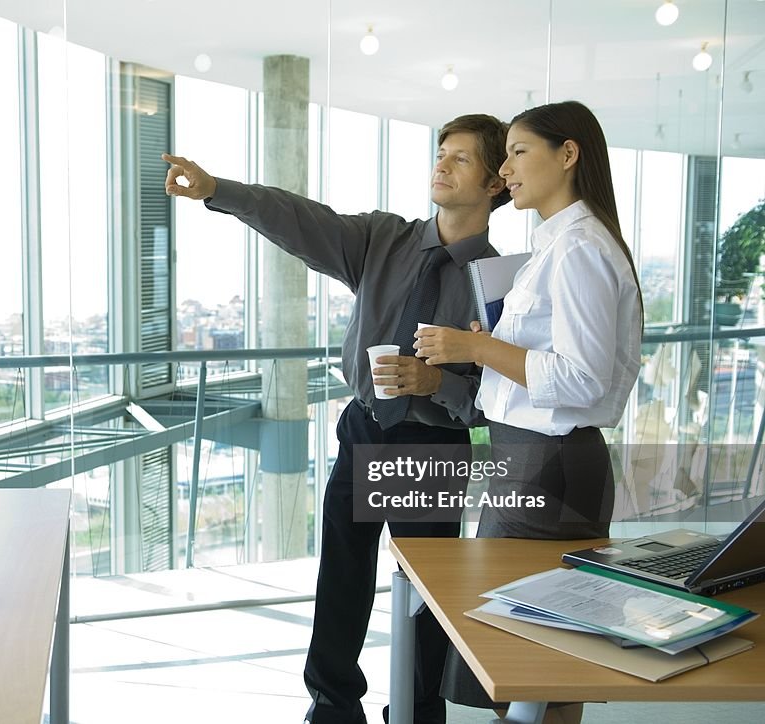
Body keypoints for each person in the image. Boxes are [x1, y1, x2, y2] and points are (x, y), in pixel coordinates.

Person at [163, 113, 510, 724]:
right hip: (365, 427)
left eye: (460, 158)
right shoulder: (384, 240)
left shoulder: (504, 282)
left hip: (434, 444)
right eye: (441, 152)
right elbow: (300, 219)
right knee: (342, 573)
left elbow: (505, 391)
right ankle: (331, 704)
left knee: (425, 593)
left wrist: (440, 383)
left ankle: (418, 708)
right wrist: (219, 189)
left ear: (495, 183)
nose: (442, 164)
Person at [414, 100, 643, 724]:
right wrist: (490, 348)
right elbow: (553, 360)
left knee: (534, 661)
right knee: (537, 664)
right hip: (530, 455)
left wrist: (476, 346)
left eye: (518, 151)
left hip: (548, 462)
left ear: (567, 155)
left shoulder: (578, 250)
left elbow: (580, 376)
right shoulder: (558, 244)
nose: (506, 168)